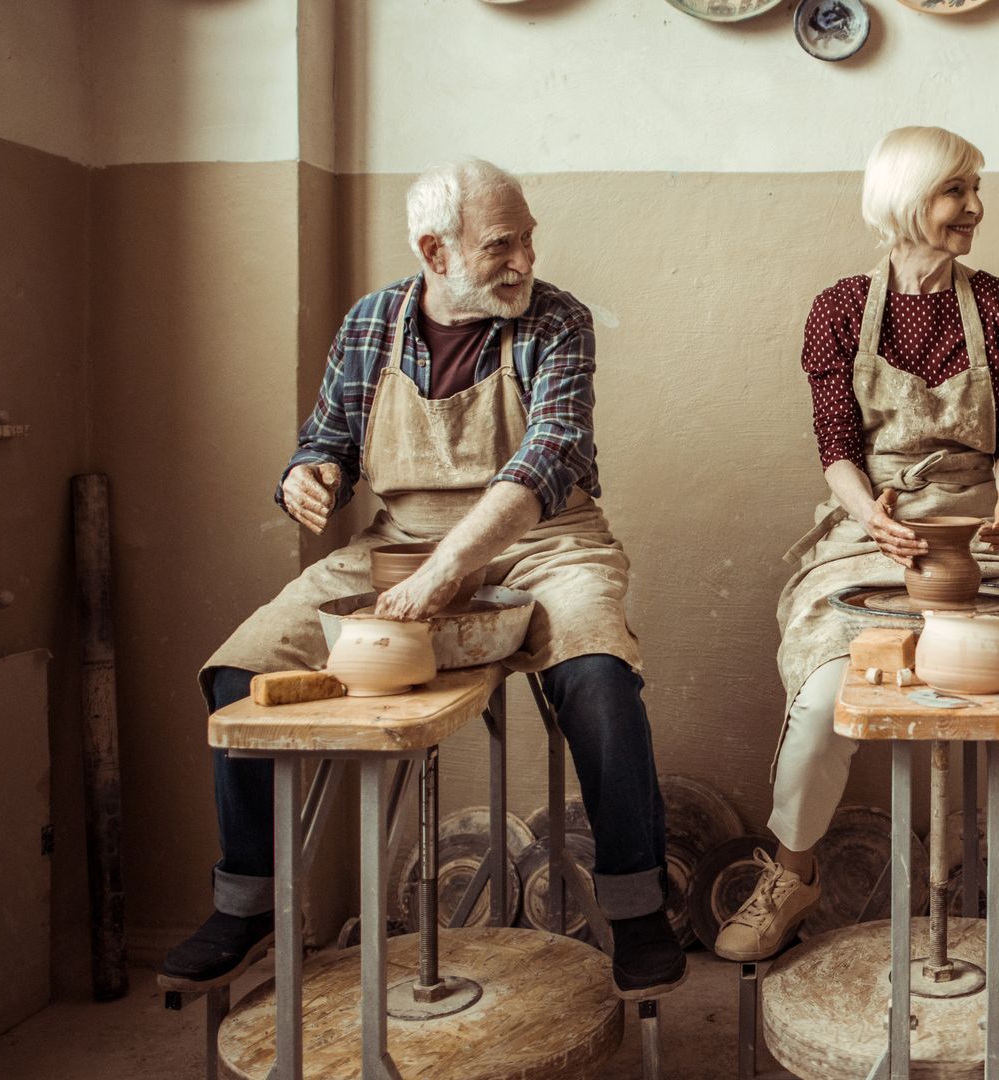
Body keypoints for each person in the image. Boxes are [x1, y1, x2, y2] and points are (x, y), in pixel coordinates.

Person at [159, 159, 684, 999]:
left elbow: (548, 456)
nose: (525, 260)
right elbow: (325, 439)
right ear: (435, 251)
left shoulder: (557, 321)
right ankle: (249, 901)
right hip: (399, 543)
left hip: (543, 540)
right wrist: (307, 476)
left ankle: (636, 909)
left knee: (598, 676)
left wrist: (452, 568)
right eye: (501, 245)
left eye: (528, 239)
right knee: (240, 674)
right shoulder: (371, 323)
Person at [713, 126, 999, 969]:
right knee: (826, 694)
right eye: (954, 191)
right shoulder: (838, 311)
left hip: (982, 530)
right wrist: (871, 517)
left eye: (975, 188)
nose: (974, 206)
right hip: (872, 530)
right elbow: (836, 449)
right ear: (906, 199)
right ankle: (792, 873)